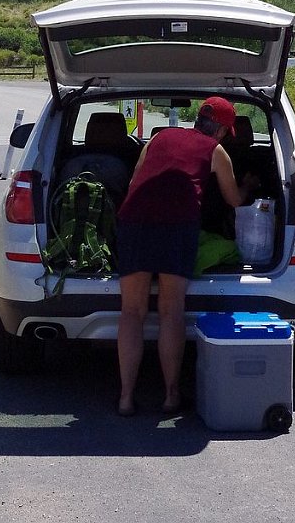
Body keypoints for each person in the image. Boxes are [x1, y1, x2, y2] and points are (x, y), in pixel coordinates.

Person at [115, 96, 257, 416]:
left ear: (198, 118)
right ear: (220, 131)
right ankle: (170, 395)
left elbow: (135, 180)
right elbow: (233, 201)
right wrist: (247, 188)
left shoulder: (159, 137)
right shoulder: (216, 151)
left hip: (134, 222)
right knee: (170, 312)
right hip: (176, 227)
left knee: (131, 312)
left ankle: (125, 397)